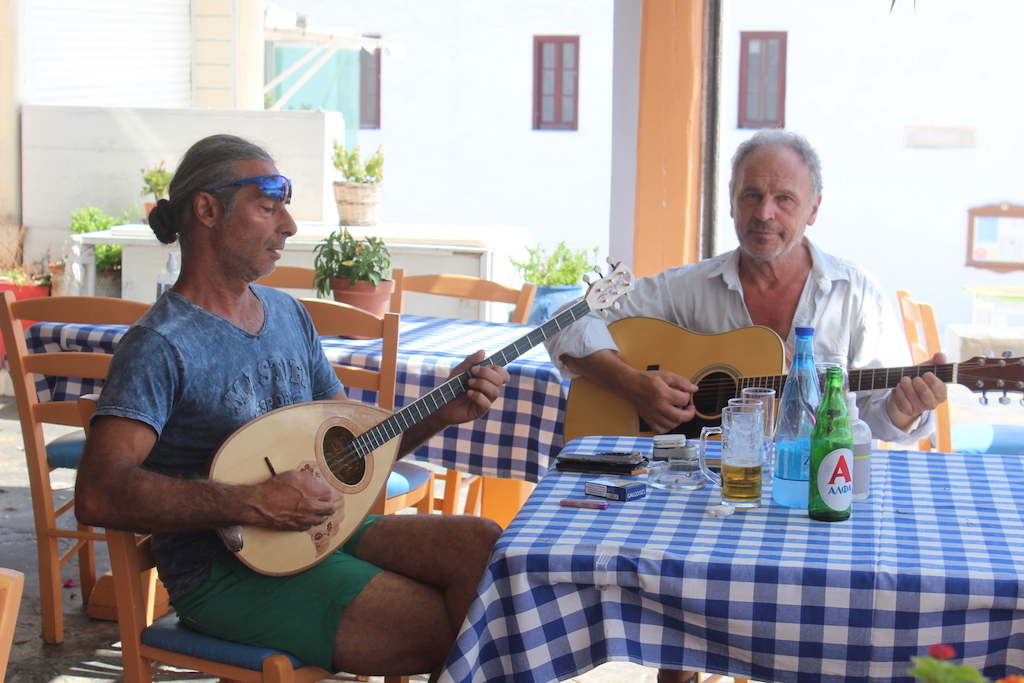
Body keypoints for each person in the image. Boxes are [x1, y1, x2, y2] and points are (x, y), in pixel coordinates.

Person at [74, 134, 508, 683]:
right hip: (226, 573)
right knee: (456, 626)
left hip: (323, 530)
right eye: (267, 204)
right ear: (207, 209)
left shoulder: (287, 314)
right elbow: (98, 491)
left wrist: (442, 411)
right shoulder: (160, 344)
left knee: (484, 548)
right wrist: (252, 503)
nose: (290, 225)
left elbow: (350, 447)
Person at [547, 128, 946, 450]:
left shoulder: (855, 294)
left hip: (815, 488)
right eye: (751, 194)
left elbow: (885, 422)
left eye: (784, 198)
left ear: (814, 209)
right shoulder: (688, 287)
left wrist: (904, 408)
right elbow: (563, 321)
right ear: (732, 203)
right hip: (707, 489)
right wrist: (630, 384)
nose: (764, 213)